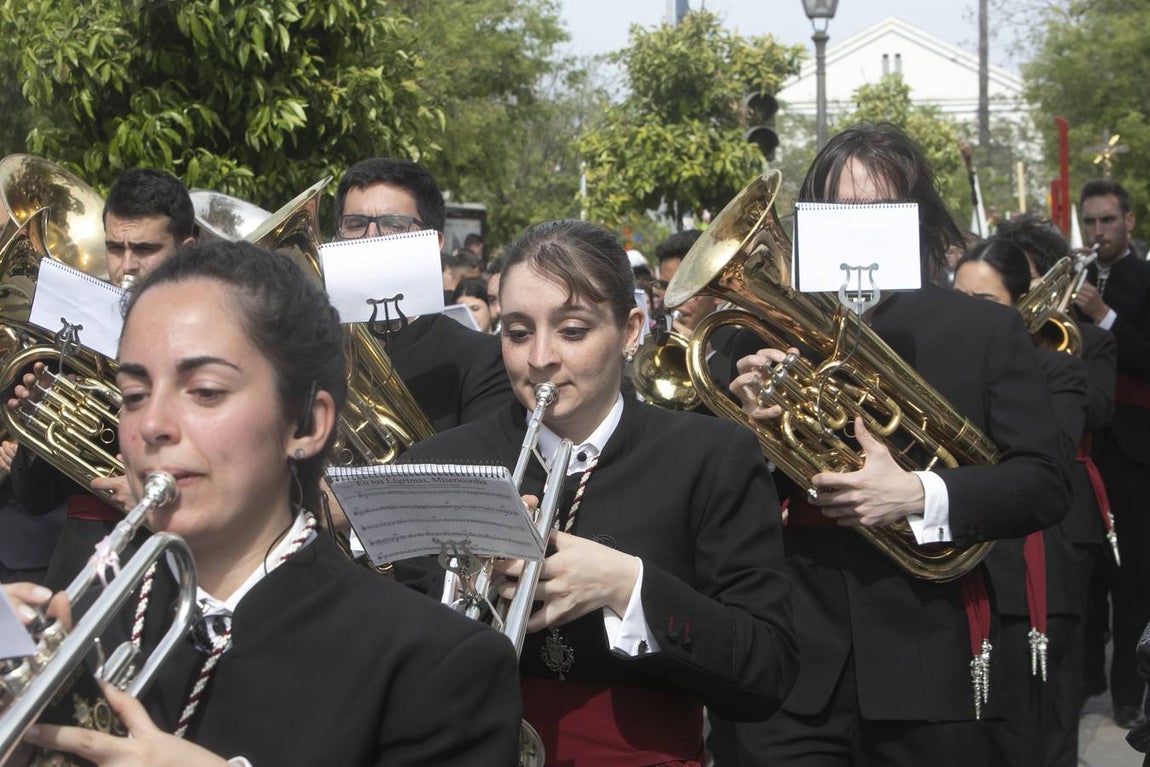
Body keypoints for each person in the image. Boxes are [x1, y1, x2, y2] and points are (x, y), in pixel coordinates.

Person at [4, 240, 521, 766]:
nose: (151, 425)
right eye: (134, 394)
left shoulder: (433, 664)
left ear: (306, 424)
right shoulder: (78, 621)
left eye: (205, 390)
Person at [714, 123, 1069, 766]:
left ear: (919, 223)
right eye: (834, 213)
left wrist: (915, 493)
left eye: (876, 213)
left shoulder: (984, 331)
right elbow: (712, 500)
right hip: (792, 671)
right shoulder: (755, 336)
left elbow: (1044, 485)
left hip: (931, 665)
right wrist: (754, 435)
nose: (855, 229)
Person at [401, 219, 798, 766]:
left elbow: (767, 670)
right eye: (517, 333)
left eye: (572, 330)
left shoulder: (710, 455)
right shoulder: (440, 462)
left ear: (631, 330)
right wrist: (465, 582)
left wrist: (628, 587)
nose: (540, 357)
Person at [7, 167, 195, 590]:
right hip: (84, 565)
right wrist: (39, 416)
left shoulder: (216, 338)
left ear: (186, 249)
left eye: (145, 249)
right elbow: (34, 498)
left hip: (181, 559)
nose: (126, 266)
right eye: (115, 247)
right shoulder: (79, 335)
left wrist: (162, 497)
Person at [953, 237, 1089, 767]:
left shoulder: (1057, 371)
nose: (967, 317)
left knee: (1040, 737)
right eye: (958, 301)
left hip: (1035, 580)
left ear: (1022, 304)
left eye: (985, 305)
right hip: (964, 573)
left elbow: (1047, 465)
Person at [996, 213, 1119, 725]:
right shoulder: (991, 341)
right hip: (1004, 505)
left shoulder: (1087, 342)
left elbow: (1098, 413)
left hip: (1070, 512)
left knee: (1070, 643)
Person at [333, 158, 513, 431]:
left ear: (434, 243)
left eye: (393, 224)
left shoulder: (479, 359)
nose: (370, 237)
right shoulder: (313, 353)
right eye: (355, 224)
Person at [1075, 178, 1150, 730]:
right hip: (1082, 444)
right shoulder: (1073, 277)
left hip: (1133, 449)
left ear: (1128, 222)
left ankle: (1128, 689)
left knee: (1132, 577)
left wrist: (1103, 316)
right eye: (1089, 221)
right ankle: (1084, 679)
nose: (1097, 231)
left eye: (1107, 221)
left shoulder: (1145, 279)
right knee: (1085, 566)